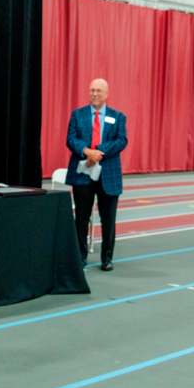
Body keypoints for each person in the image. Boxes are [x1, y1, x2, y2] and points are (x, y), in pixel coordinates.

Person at [65, 78, 128, 271]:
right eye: (92, 90)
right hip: (83, 173)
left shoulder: (118, 117)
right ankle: (80, 257)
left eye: (98, 91)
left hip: (108, 174)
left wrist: (99, 152)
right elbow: (70, 139)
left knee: (108, 218)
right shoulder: (78, 115)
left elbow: (121, 140)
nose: (94, 94)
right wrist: (86, 151)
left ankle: (107, 259)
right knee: (81, 218)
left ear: (106, 94)